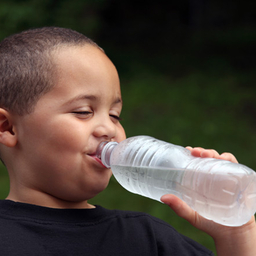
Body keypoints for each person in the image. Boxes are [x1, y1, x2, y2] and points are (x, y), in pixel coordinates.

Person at [0, 27, 255, 256]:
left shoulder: (147, 238)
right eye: (83, 111)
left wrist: (235, 235)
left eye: (115, 115)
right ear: (8, 128)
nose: (108, 128)